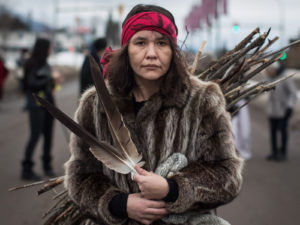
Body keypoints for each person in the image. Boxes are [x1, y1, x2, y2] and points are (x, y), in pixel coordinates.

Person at [64, 4, 243, 225]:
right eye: (140, 42)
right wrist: (120, 204)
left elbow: (228, 176)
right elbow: (80, 178)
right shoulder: (96, 105)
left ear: (173, 51)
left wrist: (173, 189)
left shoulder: (202, 101)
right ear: (126, 50)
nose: (151, 53)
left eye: (161, 43)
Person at [21, 38, 63, 180]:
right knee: (35, 136)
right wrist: (51, 79)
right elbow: (32, 83)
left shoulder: (46, 64)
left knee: (48, 137)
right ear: (43, 48)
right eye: (49, 47)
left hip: (47, 105)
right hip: (35, 106)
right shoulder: (32, 64)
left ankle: (47, 166)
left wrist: (54, 83)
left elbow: (48, 86)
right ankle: (26, 168)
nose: (51, 50)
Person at [265, 61, 297, 161]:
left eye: (270, 71)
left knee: (282, 132)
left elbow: (293, 94)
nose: (268, 73)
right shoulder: (270, 78)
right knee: (273, 132)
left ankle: (283, 153)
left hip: (283, 110)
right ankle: (274, 152)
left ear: (275, 69)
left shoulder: (285, 78)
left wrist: (289, 106)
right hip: (272, 110)